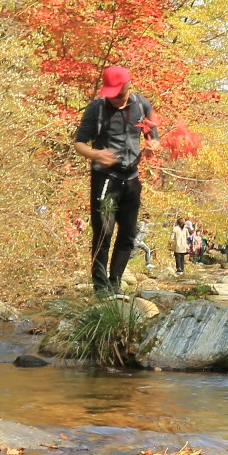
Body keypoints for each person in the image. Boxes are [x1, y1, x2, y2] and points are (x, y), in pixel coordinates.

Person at [72, 66, 159, 295]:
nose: (116, 99)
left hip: (131, 178)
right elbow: (79, 143)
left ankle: (115, 282)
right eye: (112, 95)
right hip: (105, 178)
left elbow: (153, 136)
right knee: (104, 232)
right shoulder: (97, 108)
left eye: (119, 94)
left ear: (129, 87)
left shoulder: (142, 106)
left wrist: (151, 147)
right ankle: (101, 288)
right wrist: (96, 154)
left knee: (129, 233)